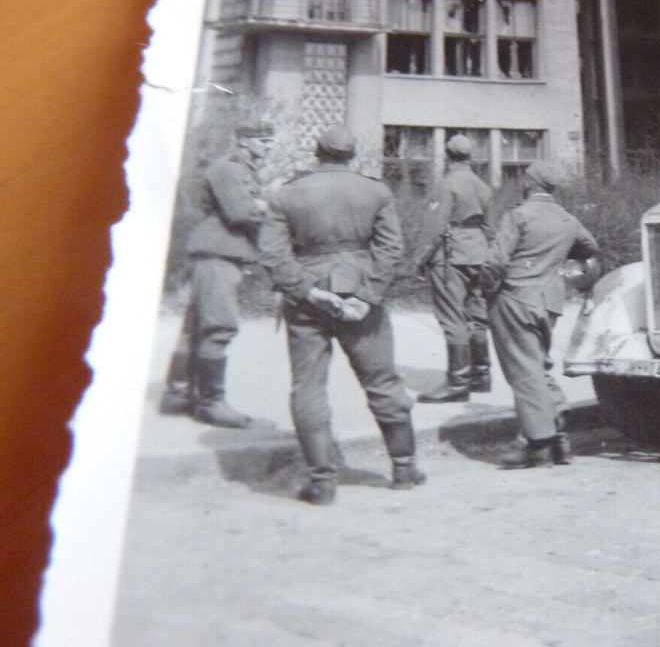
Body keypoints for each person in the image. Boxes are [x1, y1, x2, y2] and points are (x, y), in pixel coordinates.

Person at [258, 125, 424, 505]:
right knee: (382, 380)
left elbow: (273, 254)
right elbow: (390, 249)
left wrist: (307, 290)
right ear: (352, 155)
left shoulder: (285, 194)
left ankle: (322, 482)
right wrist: (367, 296)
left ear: (317, 153)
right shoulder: (375, 191)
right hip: (360, 294)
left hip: (307, 298)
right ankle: (403, 469)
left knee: (308, 387)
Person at [482, 161, 598, 468]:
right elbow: (590, 246)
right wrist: (557, 254)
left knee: (523, 371)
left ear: (529, 183)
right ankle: (558, 433)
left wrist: (487, 291)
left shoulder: (519, 215)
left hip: (515, 298)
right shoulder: (567, 219)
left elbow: (495, 262)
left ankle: (538, 444)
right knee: (535, 365)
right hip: (550, 303)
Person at [159, 121, 274, 428]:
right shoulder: (229, 169)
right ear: (244, 141)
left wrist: (260, 204)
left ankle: (178, 394)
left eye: (269, 141)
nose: (268, 146)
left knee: (197, 326)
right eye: (263, 141)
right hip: (218, 253)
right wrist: (270, 207)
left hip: (219, 252)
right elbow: (241, 212)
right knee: (218, 327)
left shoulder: (242, 170)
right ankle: (211, 402)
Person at [415, 134, 495, 403]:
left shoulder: (446, 184)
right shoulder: (482, 186)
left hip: (452, 256)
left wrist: (420, 259)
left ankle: (458, 383)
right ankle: (481, 375)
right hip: (479, 252)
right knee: (477, 315)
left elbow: (435, 226)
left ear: (447, 156)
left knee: (452, 317)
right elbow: (490, 227)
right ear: (470, 157)